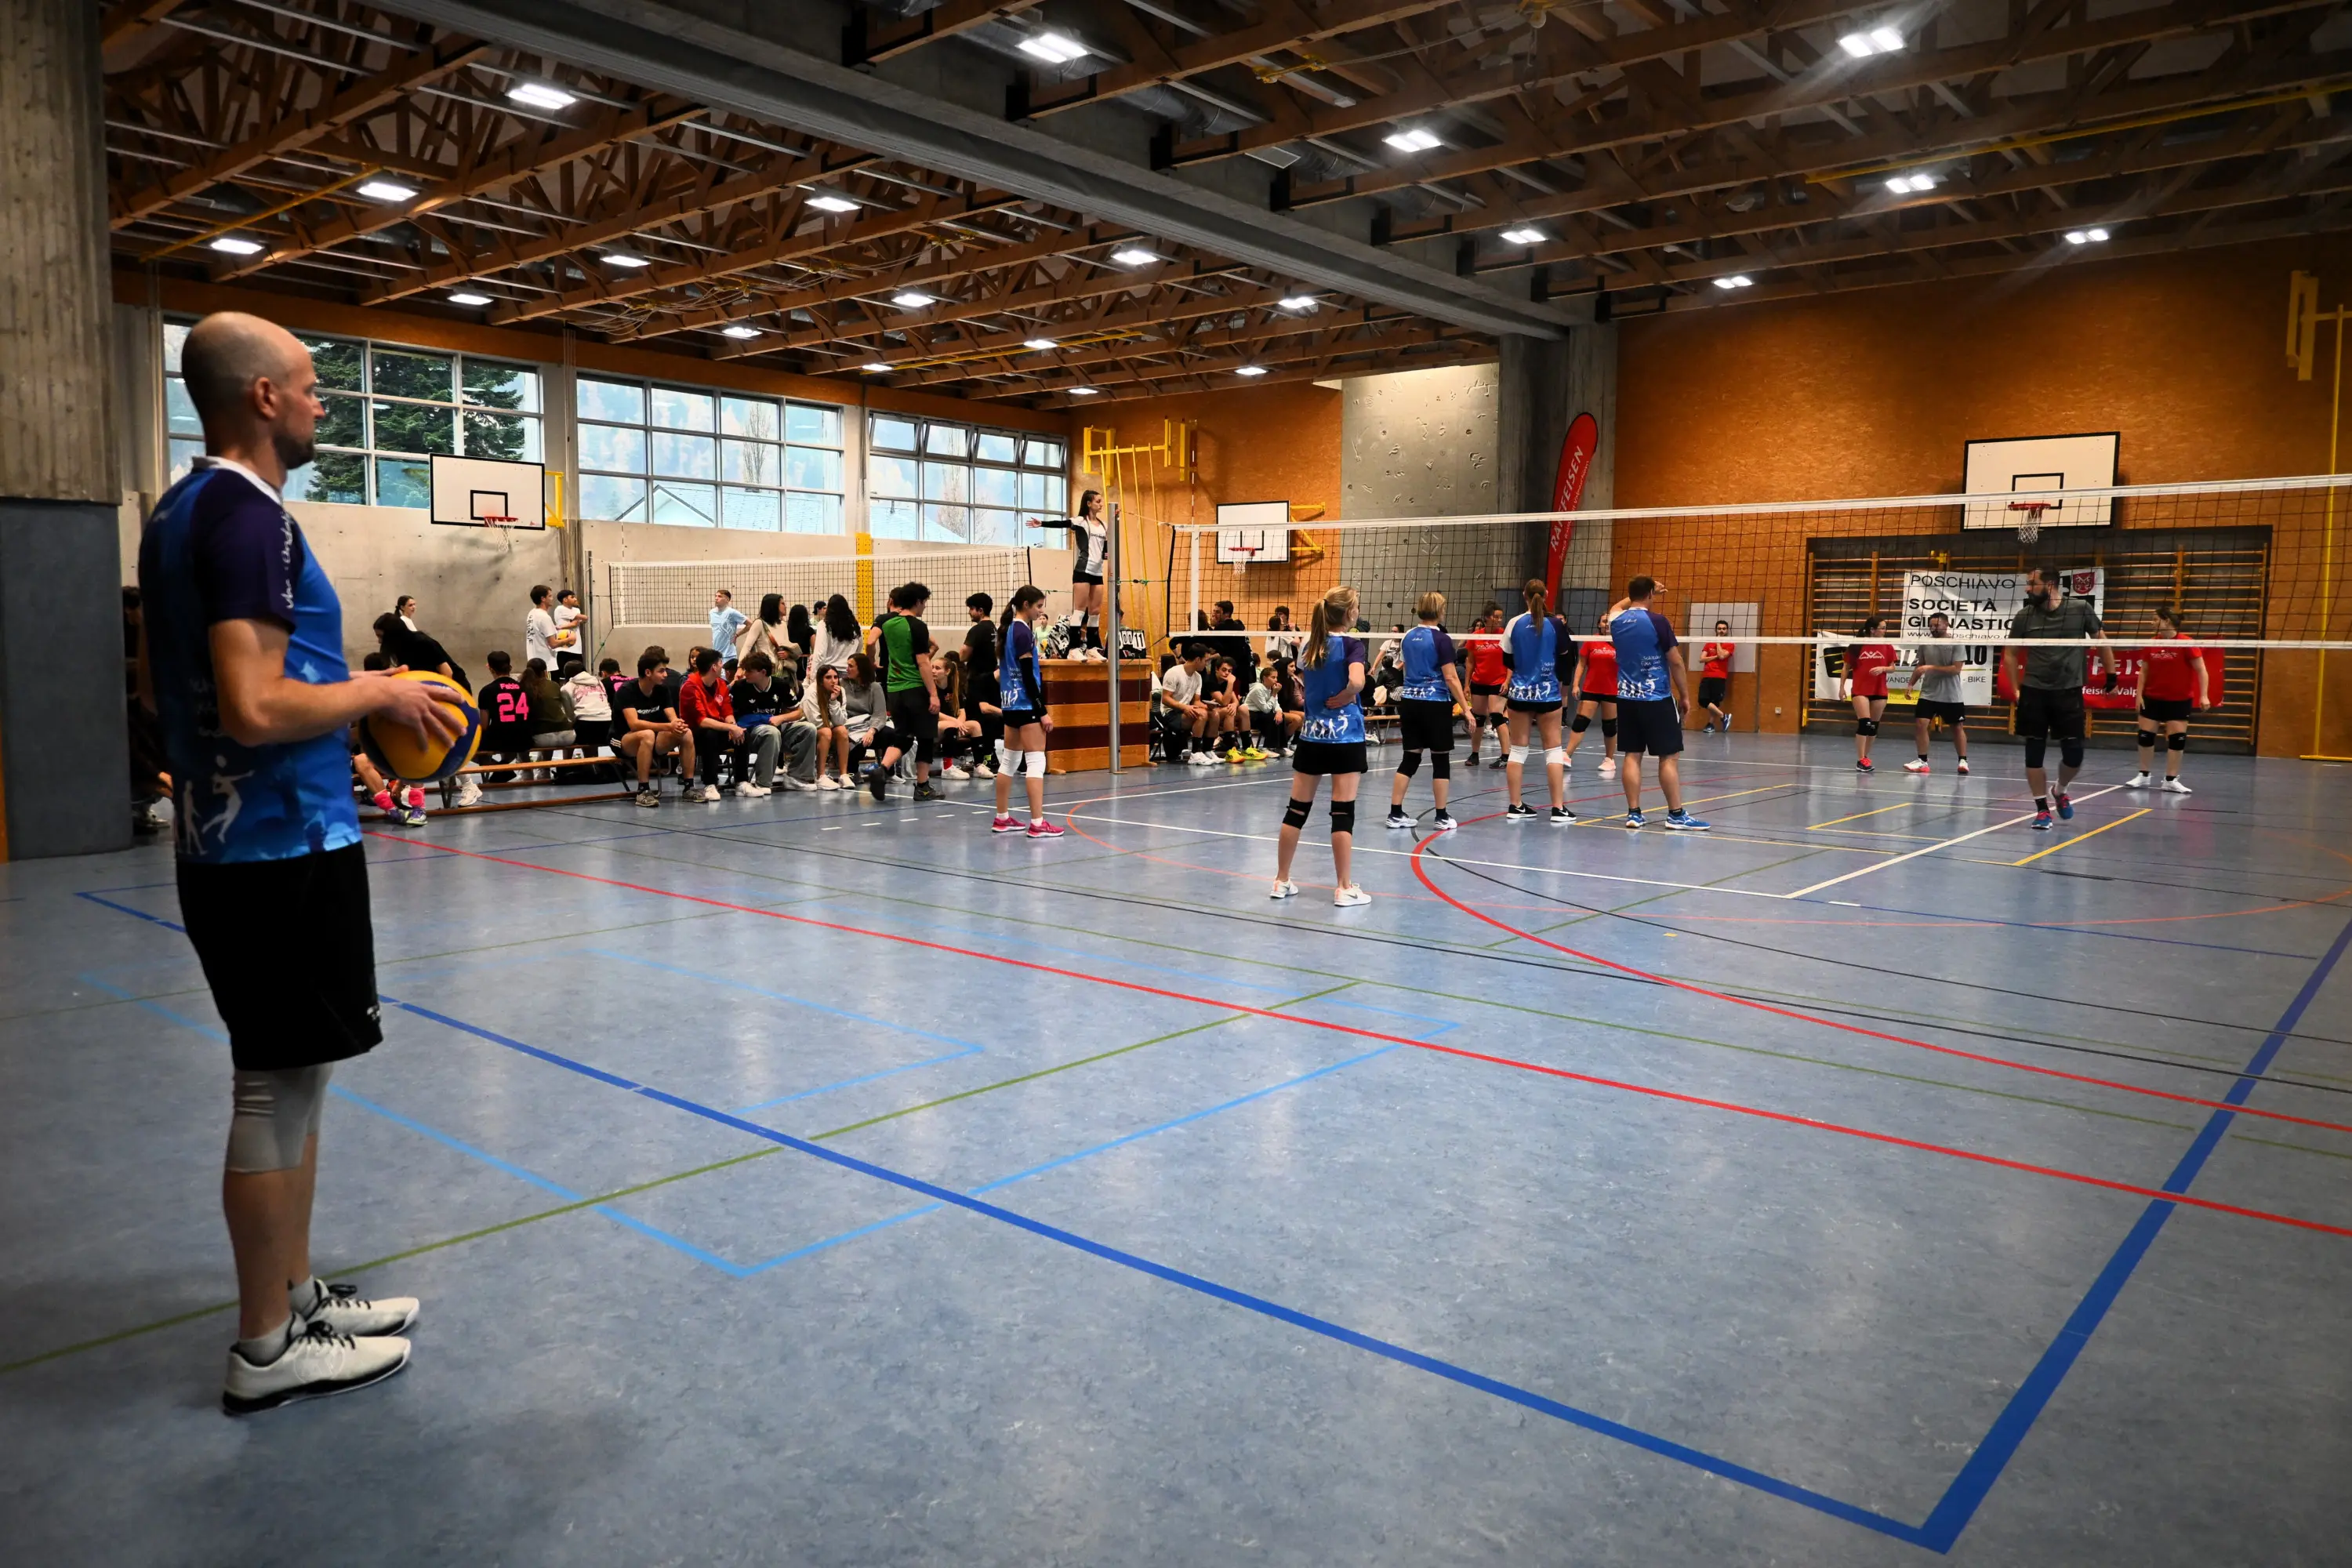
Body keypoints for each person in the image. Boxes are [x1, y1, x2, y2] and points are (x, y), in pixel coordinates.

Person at [140, 310, 463, 1414]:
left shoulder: (184, 509)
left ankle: (294, 1293)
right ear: (264, 397)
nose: (326, 403)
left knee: (297, 1081)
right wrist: (381, 692)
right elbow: (253, 701)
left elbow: (180, 694)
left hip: (249, 836)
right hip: (277, 848)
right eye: (314, 386)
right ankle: (268, 1345)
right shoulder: (246, 517)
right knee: (274, 1089)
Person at [1272, 586, 1371, 906]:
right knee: (1342, 812)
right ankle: (1344, 887)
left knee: (1296, 810)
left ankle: (1281, 880)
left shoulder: (1310, 645)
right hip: (1345, 737)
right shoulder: (1352, 644)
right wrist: (1346, 696)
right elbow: (1357, 681)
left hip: (1312, 736)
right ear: (1349, 614)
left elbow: (1309, 677)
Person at [2003, 565, 2114, 831]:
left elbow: (2102, 641)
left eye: (2032, 583)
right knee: (2033, 754)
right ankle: (2042, 810)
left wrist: (2111, 674)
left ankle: (2060, 790)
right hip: (2034, 691)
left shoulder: (2080, 609)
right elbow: (2010, 654)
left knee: (2074, 755)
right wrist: (2016, 689)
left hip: (2068, 691)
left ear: (2050, 584)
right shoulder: (2024, 616)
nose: (2028, 589)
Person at [1608, 576, 1711, 831]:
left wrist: (1641, 591)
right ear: (1651, 594)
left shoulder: (1616, 621)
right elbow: (1675, 661)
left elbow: (1616, 607)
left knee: (1632, 755)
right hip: (1656, 698)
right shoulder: (1658, 621)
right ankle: (1676, 814)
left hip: (1626, 699)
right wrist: (1685, 696)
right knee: (1668, 756)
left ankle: (1634, 813)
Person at [1382, 592, 1471, 834]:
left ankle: (1395, 813)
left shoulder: (1408, 636)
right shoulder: (1442, 639)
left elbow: (1407, 667)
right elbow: (1451, 677)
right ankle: (1441, 816)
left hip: (1410, 702)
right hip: (1435, 703)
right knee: (1440, 760)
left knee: (1410, 758)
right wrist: (1466, 709)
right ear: (1440, 611)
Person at [1499, 580, 1574, 824]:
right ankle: (1558, 808)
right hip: (1548, 693)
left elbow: (1507, 659)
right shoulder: (1556, 624)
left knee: (1518, 750)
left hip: (1520, 694)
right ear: (1547, 594)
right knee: (1553, 751)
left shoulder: (1514, 623)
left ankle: (1515, 806)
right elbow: (1566, 656)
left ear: (1524, 595)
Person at [992, 584, 1062, 839]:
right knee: (1036, 761)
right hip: (1025, 704)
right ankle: (1037, 823)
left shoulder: (1008, 629)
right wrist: (1042, 710)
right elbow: (1028, 677)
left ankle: (1002, 819)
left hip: (1010, 704)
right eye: (1039, 606)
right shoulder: (1022, 632)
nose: (1040, 611)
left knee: (1009, 762)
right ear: (1026, 605)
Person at [866, 582, 943, 802]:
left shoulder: (888, 623)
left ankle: (882, 769)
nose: (925, 607)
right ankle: (923, 787)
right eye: (924, 602)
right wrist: (933, 694)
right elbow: (923, 662)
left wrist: (872, 662)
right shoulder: (917, 626)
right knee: (926, 737)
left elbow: (871, 642)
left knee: (904, 736)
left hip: (894, 689)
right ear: (918, 602)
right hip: (915, 688)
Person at [2126, 605, 2209, 794]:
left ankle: (2171, 780)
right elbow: (2144, 671)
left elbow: (2202, 670)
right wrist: (2139, 695)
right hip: (2152, 697)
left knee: (2177, 739)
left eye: (2155, 619)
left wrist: (2204, 695)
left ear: (2167, 621)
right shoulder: (2152, 643)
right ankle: (2144, 775)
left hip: (2178, 699)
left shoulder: (2186, 643)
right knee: (2145, 736)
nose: (2152, 623)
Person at [614, 647, 692, 806]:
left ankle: (689, 787)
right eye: (661, 671)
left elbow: (673, 718)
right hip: (623, 739)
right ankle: (643, 791)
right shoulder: (626, 691)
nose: (666, 675)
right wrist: (668, 726)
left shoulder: (662, 690)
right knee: (647, 734)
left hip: (653, 739)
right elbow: (634, 724)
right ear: (648, 672)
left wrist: (677, 725)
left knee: (686, 733)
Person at [731, 650, 814, 795]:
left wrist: (781, 718)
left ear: (763, 672)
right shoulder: (740, 687)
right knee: (771, 732)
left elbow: (799, 712)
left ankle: (796, 777)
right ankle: (763, 783)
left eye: (749, 671)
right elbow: (729, 713)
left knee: (809, 729)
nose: (745, 674)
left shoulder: (781, 685)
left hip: (776, 728)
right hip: (750, 734)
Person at [1041, 488, 1109, 658]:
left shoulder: (1104, 525)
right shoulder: (1080, 521)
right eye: (1098, 501)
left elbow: (1105, 549)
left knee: (1095, 611)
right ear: (1089, 503)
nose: (1101, 504)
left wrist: (1107, 557)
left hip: (1097, 572)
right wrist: (1041, 523)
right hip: (1083, 571)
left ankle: (1092, 648)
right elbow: (1061, 523)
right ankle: (1073, 648)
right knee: (1080, 610)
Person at [1904, 612, 1970, 775]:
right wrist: (1911, 684)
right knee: (1921, 724)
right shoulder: (1926, 643)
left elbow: (1956, 669)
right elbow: (1920, 666)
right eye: (1931, 626)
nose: (1933, 628)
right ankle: (1922, 761)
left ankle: (1963, 760)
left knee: (1957, 727)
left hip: (1951, 694)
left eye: (1937, 625)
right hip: (1929, 692)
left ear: (1946, 625)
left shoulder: (1956, 643)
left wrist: (1931, 667)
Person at [679, 647, 742, 801]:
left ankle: (742, 782)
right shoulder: (690, 687)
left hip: (718, 728)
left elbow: (727, 711)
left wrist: (733, 726)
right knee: (710, 735)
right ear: (714, 667)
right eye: (720, 663)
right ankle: (710, 784)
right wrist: (730, 727)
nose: (722, 666)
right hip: (694, 734)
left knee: (742, 734)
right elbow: (702, 721)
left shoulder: (721, 684)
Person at [1842, 613, 1899, 772]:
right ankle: (1860, 759)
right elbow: (1846, 668)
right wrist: (1841, 687)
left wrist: (1883, 668)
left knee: (1873, 727)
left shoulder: (1887, 646)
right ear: (1873, 630)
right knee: (1865, 723)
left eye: (1885, 628)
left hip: (1879, 690)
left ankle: (1865, 758)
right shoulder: (1857, 645)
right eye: (1883, 628)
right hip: (1861, 689)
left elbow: (1893, 668)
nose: (1885, 631)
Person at [1564, 617, 1619, 776]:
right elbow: (1581, 664)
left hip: (1612, 690)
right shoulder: (1591, 641)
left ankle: (1609, 760)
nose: (1607, 624)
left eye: (1610, 622)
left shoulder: (1620, 642)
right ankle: (1567, 755)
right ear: (1598, 624)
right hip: (1591, 688)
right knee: (1580, 722)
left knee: (1609, 726)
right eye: (1604, 621)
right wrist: (1576, 684)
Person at [474, 651, 532, 783]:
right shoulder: (524, 688)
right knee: (511, 733)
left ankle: (501, 770)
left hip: (501, 739)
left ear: (490, 669)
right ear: (510, 667)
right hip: (524, 738)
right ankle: (503, 769)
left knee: (470, 748)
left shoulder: (487, 691)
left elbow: (484, 724)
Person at [1464, 604, 1508, 766]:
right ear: (1488, 617)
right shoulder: (1476, 636)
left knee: (1496, 716)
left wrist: (1508, 681)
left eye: (1501, 617)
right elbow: (1470, 662)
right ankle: (1474, 755)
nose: (1499, 620)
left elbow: (1511, 660)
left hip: (1499, 682)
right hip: (1479, 681)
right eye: (1496, 617)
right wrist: (1467, 684)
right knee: (1478, 718)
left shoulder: (1505, 635)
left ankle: (1505, 757)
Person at [1160, 642, 1217, 767]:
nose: (1207, 663)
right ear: (1198, 659)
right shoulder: (1174, 672)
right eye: (1206, 660)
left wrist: (1208, 706)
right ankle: (1195, 753)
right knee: (1202, 715)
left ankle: (1207, 751)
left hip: (1185, 711)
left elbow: (1196, 701)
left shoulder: (1198, 677)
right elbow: (1165, 699)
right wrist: (1185, 707)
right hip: (1170, 713)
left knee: (1214, 714)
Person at [521, 657, 575, 778]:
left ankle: (527, 772)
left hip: (543, 737)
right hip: (567, 734)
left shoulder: (524, 687)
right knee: (550, 726)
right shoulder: (554, 685)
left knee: (522, 735)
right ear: (545, 672)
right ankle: (545, 769)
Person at [802, 663, 852, 789]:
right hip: (808, 729)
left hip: (828, 727)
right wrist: (832, 725)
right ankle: (821, 776)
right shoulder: (812, 692)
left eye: (835, 677)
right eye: (828, 677)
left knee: (842, 731)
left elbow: (841, 721)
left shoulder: (840, 691)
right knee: (826, 732)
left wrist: (834, 701)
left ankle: (844, 775)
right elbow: (815, 721)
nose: (833, 681)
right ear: (821, 680)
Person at [563, 655, 613, 762]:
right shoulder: (599, 683)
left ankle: (566, 766)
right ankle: (593, 764)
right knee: (590, 739)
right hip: (607, 725)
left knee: (568, 734)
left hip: (585, 725)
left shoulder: (566, 688)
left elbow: (569, 715)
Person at [1246, 664, 1300, 756]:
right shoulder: (1258, 689)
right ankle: (1266, 747)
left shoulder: (1272, 688)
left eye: (1276, 677)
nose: (1276, 680)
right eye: (1273, 677)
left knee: (1280, 717)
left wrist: (1279, 712)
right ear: (1265, 678)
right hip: (1252, 715)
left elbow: (1276, 704)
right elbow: (1266, 709)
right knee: (1272, 717)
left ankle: (1280, 747)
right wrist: (1274, 694)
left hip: (1263, 714)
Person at [1697, 621, 1734, 732]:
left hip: (1720, 676)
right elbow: (1701, 659)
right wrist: (1716, 656)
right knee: (1703, 700)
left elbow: (1722, 656)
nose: (1721, 631)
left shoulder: (1730, 644)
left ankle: (1710, 725)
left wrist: (1718, 642)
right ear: (1716, 630)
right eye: (1719, 629)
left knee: (1715, 702)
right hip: (1707, 675)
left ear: (1727, 630)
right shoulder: (1709, 644)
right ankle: (1723, 716)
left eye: (1724, 629)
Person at [812, 593, 860, 678]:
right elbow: (859, 651)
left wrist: (814, 676)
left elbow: (820, 655)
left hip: (830, 675)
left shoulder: (824, 625)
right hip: (850, 673)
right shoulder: (856, 626)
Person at [737, 591, 789, 666]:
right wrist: (740, 666)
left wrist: (787, 654)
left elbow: (787, 647)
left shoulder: (783, 625)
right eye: (782, 604)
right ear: (773, 605)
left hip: (783, 668)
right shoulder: (759, 623)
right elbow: (747, 647)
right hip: (766, 668)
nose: (785, 607)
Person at [524, 584, 559, 672]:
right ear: (543, 599)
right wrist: (569, 640)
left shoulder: (532, 613)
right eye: (550, 596)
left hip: (534, 662)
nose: (552, 598)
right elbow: (553, 644)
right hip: (547, 665)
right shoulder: (544, 617)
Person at [709, 589, 747, 660]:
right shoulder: (712, 612)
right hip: (716, 655)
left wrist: (737, 635)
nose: (716, 598)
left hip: (729, 655)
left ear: (727, 600)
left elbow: (750, 624)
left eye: (720, 596)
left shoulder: (731, 613)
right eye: (716, 596)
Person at [551, 588, 585, 663]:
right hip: (564, 648)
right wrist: (582, 618)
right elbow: (577, 621)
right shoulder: (560, 609)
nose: (575, 599)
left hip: (576, 648)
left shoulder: (577, 610)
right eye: (572, 597)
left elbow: (576, 623)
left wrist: (561, 627)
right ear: (565, 600)